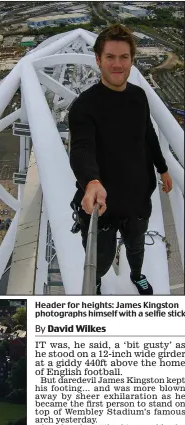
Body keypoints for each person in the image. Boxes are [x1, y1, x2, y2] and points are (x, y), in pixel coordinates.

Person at [68, 23, 173, 295]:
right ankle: (99, 279)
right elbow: (81, 148)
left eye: (124, 57)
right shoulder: (84, 106)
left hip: (137, 200)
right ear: (98, 60)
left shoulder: (138, 97)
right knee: (100, 259)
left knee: (136, 247)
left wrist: (163, 169)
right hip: (101, 204)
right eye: (110, 57)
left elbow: (148, 135)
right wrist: (91, 181)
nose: (118, 64)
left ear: (131, 60)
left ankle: (137, 275)